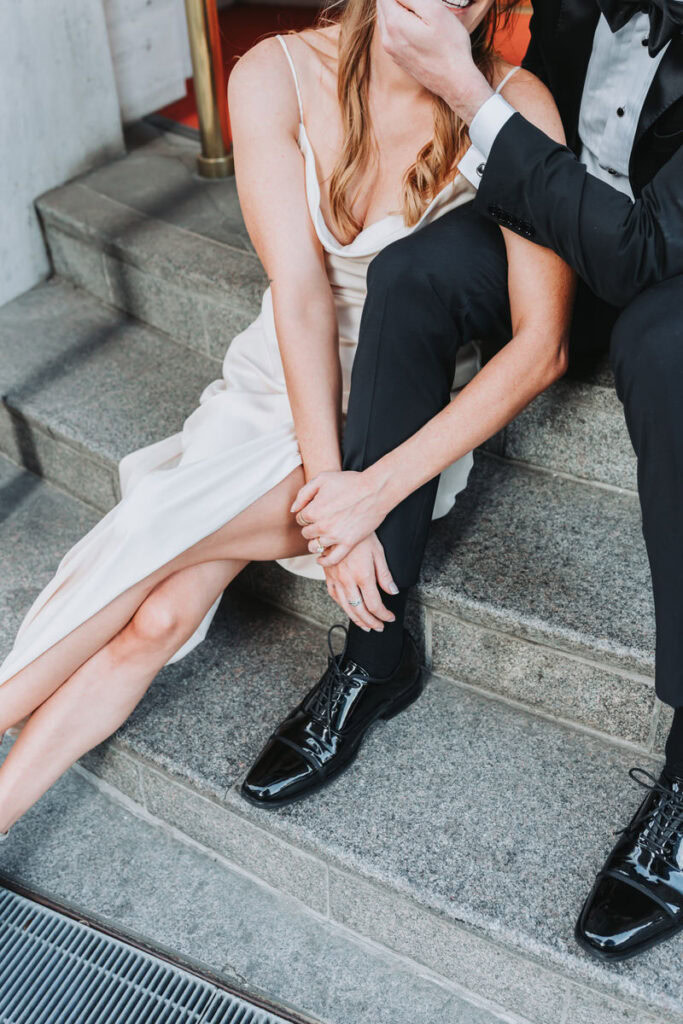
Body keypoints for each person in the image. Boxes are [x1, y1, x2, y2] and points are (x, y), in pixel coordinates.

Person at [0, 0, 572, 853]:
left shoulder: (514, 103)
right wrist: (327, 488)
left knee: (158, 527)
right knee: (156, 618)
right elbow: (301, 299)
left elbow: (543, 349)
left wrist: (358, 487)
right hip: (275, 385)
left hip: (387, 416)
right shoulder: (272, 71)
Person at [295, 0, 683, 962]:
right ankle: (375, 654)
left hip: (668, 261)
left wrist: (468, 89)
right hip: (562, 214)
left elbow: (643, 251)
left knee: (664, 349)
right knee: (412, 273)